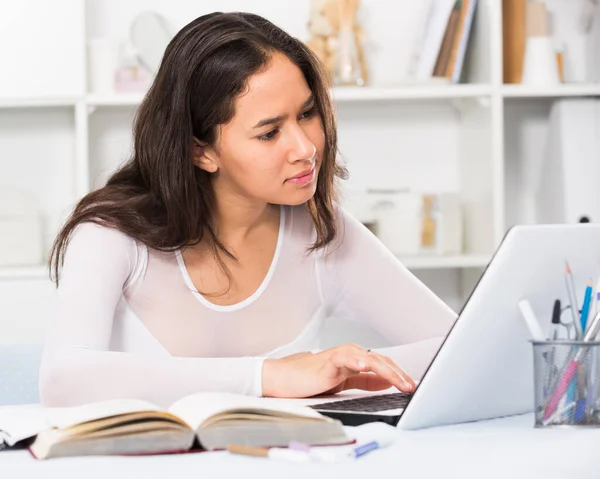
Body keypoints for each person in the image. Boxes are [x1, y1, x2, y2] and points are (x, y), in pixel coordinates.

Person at [39, 12, 456, 408]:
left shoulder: (323, 234)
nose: (306, 148)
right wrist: (267, 377)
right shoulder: (110, 235)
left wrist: (346, 371)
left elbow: (461, 346)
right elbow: (62, 379)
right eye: (270, 132)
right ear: (200, 151)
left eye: (308, 114)